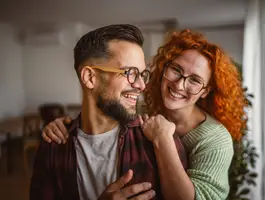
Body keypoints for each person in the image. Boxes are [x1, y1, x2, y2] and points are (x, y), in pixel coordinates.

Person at [42, 29, 247, 200]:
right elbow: (106, 108)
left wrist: (163, 139)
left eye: (195, 80)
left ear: (205, 91)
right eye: (175, 69)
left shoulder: (214, 139)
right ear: (163, 68)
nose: (179, 84)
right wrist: (65, 124)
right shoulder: (141, 111)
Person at [30, 24, 187, 200]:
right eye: (130, 73)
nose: (141, 86)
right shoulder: (54, 147)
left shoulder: (158, 141)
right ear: (90, 77)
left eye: (143, 74)